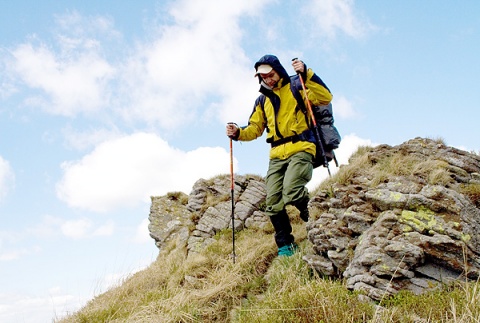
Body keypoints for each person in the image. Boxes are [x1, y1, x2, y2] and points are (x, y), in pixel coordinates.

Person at [225, 54, 333, 257]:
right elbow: (255, 128)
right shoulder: (262, 100)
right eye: (263, 77)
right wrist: (238, 132)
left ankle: (313, 216)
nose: (268, 79)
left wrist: (306, 73)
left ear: (278, 70)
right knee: (273, 201)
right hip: (276, 155)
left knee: (292, 190)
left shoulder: (297, 85)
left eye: (270, 74)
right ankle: (286, 246)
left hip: (301, 147)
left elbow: (325, 97)